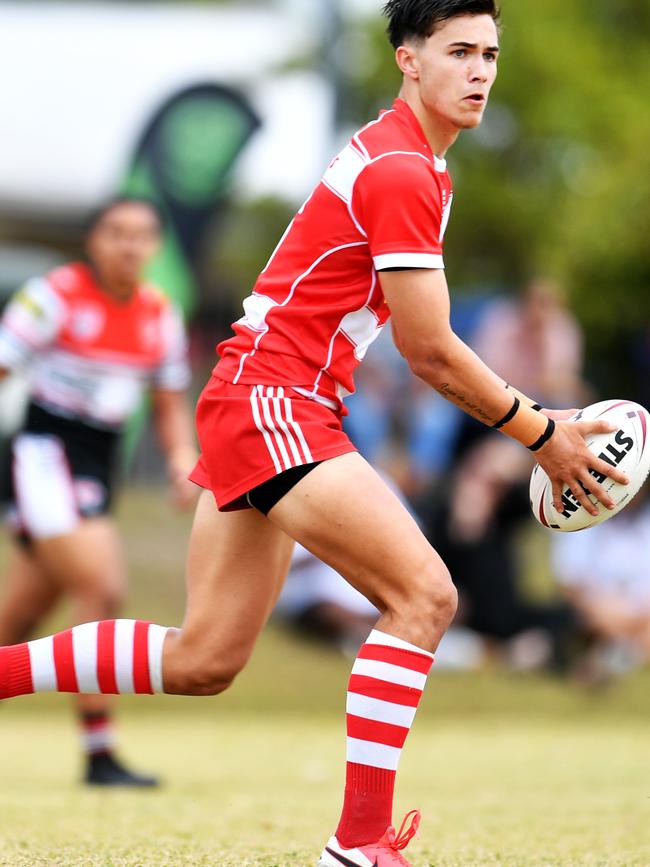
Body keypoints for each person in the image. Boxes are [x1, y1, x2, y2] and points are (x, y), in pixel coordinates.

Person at [0, 2, 628, 864]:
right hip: (275, 399)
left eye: (490, 53)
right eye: (458, 51)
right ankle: (361, 842)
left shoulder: (414, 163)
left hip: (263, 397)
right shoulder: (404, 169)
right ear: (408, 59)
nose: (481, 70)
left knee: (203, 658)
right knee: (426, 596)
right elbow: (430, 351)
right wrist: (541, 431)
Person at [0, 197, 197, 786]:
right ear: (93, 240)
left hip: (98, 465)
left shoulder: (160, 313)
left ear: (156, 247)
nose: (129, 245)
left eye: (141, 235)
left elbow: (167, 402)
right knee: (101, 586)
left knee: (21, 615)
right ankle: (99, 754)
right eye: (116, 232)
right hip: (44, 457)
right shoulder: (52, 296)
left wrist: (181, 456)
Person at [551, 482, 650, 684]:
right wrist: (602, 613)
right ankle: (620, 658)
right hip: (596, 615)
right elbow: (571, 582)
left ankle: (613, 661)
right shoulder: (583, 518)